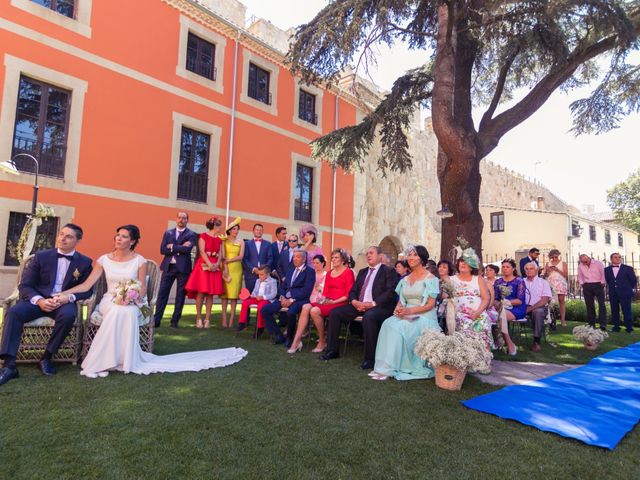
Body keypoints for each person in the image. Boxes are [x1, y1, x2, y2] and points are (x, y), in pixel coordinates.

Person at [57, 225, 247, 378]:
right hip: (109, 299)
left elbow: (141, 287)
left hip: (134, 300)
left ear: (132, 241)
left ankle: (123, 361)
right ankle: (103, 361)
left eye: (123, 236)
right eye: (117, 235)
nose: (118, 239)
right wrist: (64, 293)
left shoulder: (139, 260)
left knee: (126, 311)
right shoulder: (103, 259)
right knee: (115, 310)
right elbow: (87, 284)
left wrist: (130, 296)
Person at [0, 224, 94, 386]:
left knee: (69, 315)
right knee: (14, 312)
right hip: (37, 301)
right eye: (61, 234)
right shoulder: (41, 257)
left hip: (63, 303)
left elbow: (87, 290)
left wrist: (68, 297)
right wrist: (40, 301)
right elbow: (25, 285)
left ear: (78, 240)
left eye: (69, 236)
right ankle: (9, 365)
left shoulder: (85, 262)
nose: (62, 238)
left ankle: (46, 358)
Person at [321, 246, 399, 370]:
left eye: (371, 253)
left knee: (369, 317)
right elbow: (353, 291)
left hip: (379, 307)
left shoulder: (388, 271)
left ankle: (370, 359)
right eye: (367, 253)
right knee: (335, 313)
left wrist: (372, 304)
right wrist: (354, 301)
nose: (368, 255)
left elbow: (390, 292)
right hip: (359, 305)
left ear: (380, 256)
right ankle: (332, 350)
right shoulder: (363, 271)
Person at [370, 245, 440, 381]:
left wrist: (409, 310)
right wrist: (398, 309)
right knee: (388, 323)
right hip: (407, 314)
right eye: (409, 255)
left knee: (398, 328)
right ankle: (384, 366)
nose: (411, 258)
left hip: (424, 317)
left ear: (422, 258)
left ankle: (392, 369)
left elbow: (430, 305)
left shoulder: (431, 278)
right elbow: (401, 301)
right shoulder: (405, 279)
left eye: (415, 255)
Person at [288, 250, 355, 354]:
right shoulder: (329, 273)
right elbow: (326, 291)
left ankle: (322, 341)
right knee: (306, 306)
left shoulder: (348, 272)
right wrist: (324, 299)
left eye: (336, 257)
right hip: (328, 301)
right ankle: (296, 342)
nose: (333, 259)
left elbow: (348, 294)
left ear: (343, 260)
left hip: (340, 302)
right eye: (332, 257)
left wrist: (333, 301)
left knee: (314, 310)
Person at [261, 249, 315, 346]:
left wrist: (291, 299)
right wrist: (282, 297)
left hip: (300, 300)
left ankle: (290, 338)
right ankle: (279, 335)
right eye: (294, 257)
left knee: (291, 312)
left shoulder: (310, 271)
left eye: (298, 257)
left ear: (304, 259)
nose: (295, 259)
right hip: (285, 298)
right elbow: (283, 286)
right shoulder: (290, 270)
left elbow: (307, 290)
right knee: (265, 310)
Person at [154, 212, 197, 328]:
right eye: (179, 217)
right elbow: (162, 250)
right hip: (169, 267)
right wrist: (180, 247)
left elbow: (187, 250)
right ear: (176, 219)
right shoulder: (168, 233)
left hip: (183, 268)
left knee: (180, 296)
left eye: (184, 218)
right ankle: (156, 320)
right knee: (162, 293)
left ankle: (174, 321)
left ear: (187, 220)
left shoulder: (191, 234)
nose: (181, 220)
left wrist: (172, 246)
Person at [184, 217, 224, 329]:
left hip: (215, 266)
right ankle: (198, 318)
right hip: (203, 266)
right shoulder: (203, 236)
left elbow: (221, 253)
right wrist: (209, 264)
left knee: (210, 294)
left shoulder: (220, 239)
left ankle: (207, 319)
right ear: (215, 226)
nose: (221, 227)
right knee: (201, 292)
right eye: (219, 225)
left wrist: (217, 264)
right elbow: (202, 251)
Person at [451, 253, 493, 350]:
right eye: (462, 261)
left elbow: (486, 298)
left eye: (467, 262)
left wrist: (478, 312)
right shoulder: (451, 279)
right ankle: (466, 355)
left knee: (483, 321)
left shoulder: (478, 279)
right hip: (460, 313)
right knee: (465, 321)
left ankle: (484, 357)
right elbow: (446, 296)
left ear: (472, 266)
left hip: (479, 311)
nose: (463, 264)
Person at [237, 265, 278, 337]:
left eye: (261, 275)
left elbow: (274, 294)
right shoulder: (258, 281)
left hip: (266, 300)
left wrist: (263, 297)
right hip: (257, 298)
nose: (259, 276)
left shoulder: (273, 281)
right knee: (245, 303)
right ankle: (242, 323)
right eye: (258, 274)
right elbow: (255, 291)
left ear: (267, 274)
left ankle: (260, 327)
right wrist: (253, 295)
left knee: (261, 306)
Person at [493, 259, 524, 356]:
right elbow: (495, 298)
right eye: (503, 267)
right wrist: (498, 304)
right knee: (492, 315)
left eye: (508, 267)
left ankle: (509, 344)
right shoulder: (498, 282)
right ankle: (496, 341)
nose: (505, 269)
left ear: (513, 268)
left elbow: (520, 300)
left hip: (516, 308)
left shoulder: (519, 281)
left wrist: (507, 302)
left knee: (501, 316)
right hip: (500, 307)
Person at [604, 252, 637, 333]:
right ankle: (616, 327)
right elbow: (608, 281)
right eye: (615, 257)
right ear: (611, 259)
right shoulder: (607, 269)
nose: (618, 258)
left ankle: (629, 328)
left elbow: (633, 280)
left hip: (625, 293)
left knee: (627, 310)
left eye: (619, 257)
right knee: (614, 310)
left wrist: (627, 289)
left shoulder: (628, 268)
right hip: (613, 293)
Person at [524, 262, 552, 352]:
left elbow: (544, 300)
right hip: (522, 307)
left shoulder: (543, 282)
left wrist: (530, 308)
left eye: (531, 269)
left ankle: (536, 341)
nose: (528, 271)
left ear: (536, 270)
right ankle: (503, 341)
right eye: (526, 269)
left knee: (538, 312)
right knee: (504, 311)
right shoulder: (521, 281)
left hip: (538, 307)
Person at [221, 217, 244, 329]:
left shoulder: (241, 241)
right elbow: (222, 256)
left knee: (234, 296)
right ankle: (224, 319)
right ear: (229, 230)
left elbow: (241, 256)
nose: (236, 231)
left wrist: (229, 260)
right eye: (234, 229)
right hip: (226, 268)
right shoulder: (224, 241)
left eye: (237, 229)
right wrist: (225, 267)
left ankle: (231, 320)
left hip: (237, 269)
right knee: (225, 295)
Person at [577, 254, 607, 330]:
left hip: (598, 284)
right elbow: (580, 276)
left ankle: (603, 324)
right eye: (583, 262)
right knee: (589, 305)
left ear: (589, 258)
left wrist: (603, 282)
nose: (585, 263)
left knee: (602, 305)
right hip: (587, 285)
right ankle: (591, 324)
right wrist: (582, 284)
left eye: (586, 261)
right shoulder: (580, 265)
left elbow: (603, 273)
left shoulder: (598, 263)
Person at [242, 223, 272, 293]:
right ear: (253, 231)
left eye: (261, 230)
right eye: (257, 230)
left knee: (262, 296)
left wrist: (264, 269)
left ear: (263, 232)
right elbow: (245, 259)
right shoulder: (247, 243)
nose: (259, 231)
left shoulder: (268, 244)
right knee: (250, 296)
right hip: (251, 275)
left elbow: (270, 258)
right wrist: (253, 268)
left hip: (264, 275)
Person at [544, 249, 568, 327]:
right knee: (550, 302)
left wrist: (557, 270)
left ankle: (563, 320)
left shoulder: (563, 263)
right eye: (553, 256)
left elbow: (565, 275)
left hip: (561, 283)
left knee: (561, 301)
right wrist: (548, 272)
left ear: (558, 255)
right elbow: (545, 276)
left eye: (556, 255)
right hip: (550, 283)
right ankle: (550, 319)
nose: (554, 257)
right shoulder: (548, 263)